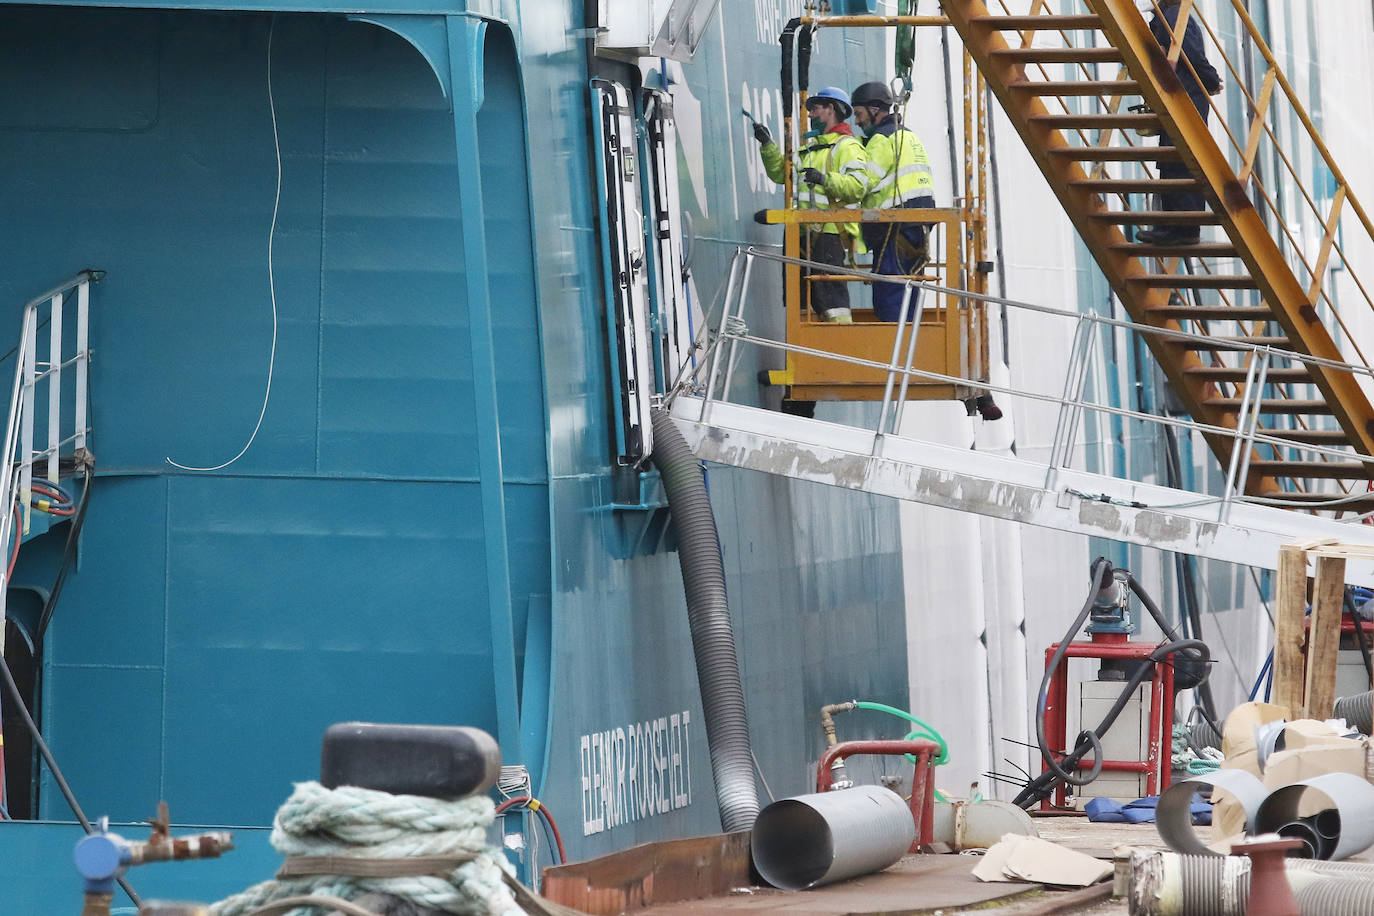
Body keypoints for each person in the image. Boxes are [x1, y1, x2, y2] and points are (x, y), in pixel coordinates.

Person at [755, 86, 869, 323]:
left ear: (831, 109)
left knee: (831, 302)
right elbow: (781, 174)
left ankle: (841, 349)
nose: (810, 114)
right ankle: (806, 355)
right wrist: (767, 145)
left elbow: (857, 186)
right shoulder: (808, 149)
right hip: (801, 234)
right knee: (800, 301)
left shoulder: (846, 147)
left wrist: (824, 179)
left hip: (828, 234)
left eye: (815, 108)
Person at [1135, 0, 1224, 246]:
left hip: (1186, 99)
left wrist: (1211, 80)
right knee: (1173, 161)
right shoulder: (1168, 17)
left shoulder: (1174, 16)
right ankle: (1176, 225)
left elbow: (1192, 54)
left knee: (1180, 163)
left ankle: (1183, 227)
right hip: (1179, 98)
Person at [850, 81, 936, 322]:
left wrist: (830, 182)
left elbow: (862, 184)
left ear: (875, 109)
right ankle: (909, 351)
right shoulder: (909, 137)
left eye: (859, 114)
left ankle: (891, 354)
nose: (857, 122)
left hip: (893, 228)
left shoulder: (881, 140)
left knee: (890, 295)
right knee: (910, 291)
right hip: (917, 228)